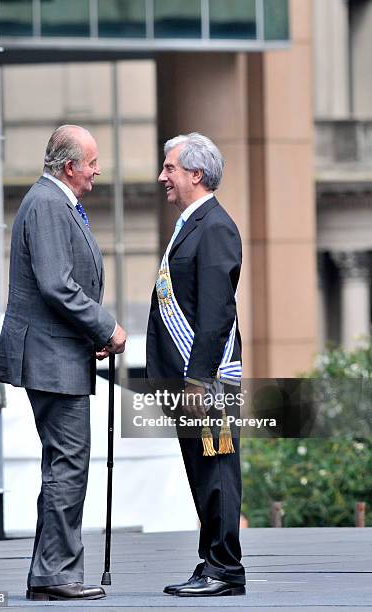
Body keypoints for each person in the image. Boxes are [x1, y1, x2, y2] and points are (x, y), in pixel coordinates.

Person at [0, 125, 126, 601]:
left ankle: (50, 571)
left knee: (62, 464)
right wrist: (105, 328)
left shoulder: (51, 202)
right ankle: (56, 574)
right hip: (50, 358)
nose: (96, 170)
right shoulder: (49, 204)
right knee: (68, 464)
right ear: (70, 167)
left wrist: (89, 333)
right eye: (91, 162)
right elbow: (57, 284)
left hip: (57, 353)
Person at [146, 132, 245, 597]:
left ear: (195, 174)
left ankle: (225, 569)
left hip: (207, 382)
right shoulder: (193, 224)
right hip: (190, 379)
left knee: (218, 470)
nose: (162, 176)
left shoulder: (215, 226)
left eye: (170, 168)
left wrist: (199, 379)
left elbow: (216, 311)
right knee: (203, 474)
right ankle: (211, 563)